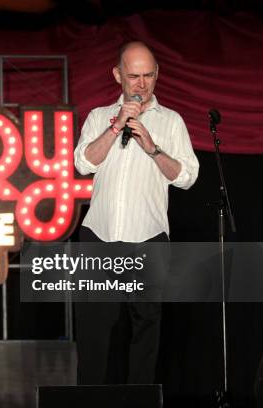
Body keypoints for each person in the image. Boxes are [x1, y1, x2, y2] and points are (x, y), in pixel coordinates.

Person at [73, 41, 199, 385]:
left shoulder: (171, 121)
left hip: (148, 238)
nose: (141, 84)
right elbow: (83, 163)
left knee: (146, 329)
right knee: (93, 331)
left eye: (148, 75)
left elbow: (188, 177)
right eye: (133, 76)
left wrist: (153, 148)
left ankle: (140, 399)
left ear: (157, 75)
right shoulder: (100, 117)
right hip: (100, 236)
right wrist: (117, 127)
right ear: (118, 75)